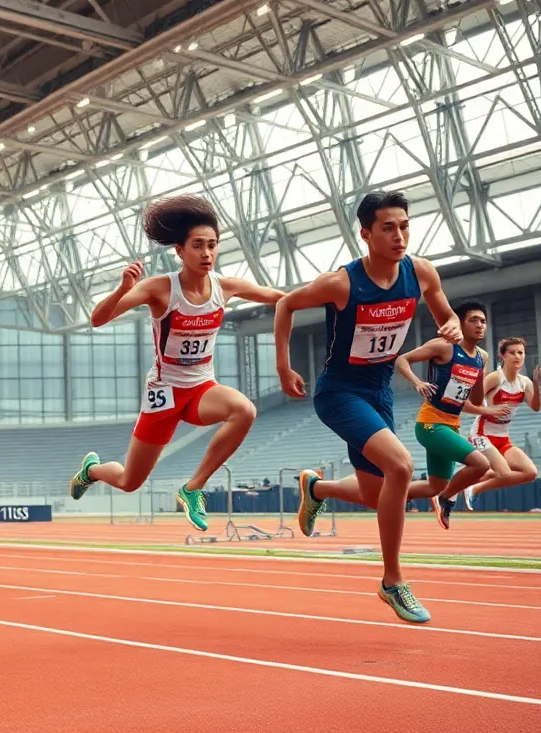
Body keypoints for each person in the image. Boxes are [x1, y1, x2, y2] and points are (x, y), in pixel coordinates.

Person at [273, 190, 462, 623]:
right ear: (366, 234)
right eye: (388, 228)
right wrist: (284, 367)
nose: (399, 236)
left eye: (405, 226)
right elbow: (285, 304)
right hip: (340, 392)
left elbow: (445, 316)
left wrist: (450, 324)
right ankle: (392, 581)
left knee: (380, 498)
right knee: (400, 467)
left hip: (380, 391)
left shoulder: (422, 273)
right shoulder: (341, 282)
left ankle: (316, 489)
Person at [68, 195, 285, 531]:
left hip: (201, 388)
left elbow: (279, 298)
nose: (207, 253)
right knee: (129, 481)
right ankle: (91, 471)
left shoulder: (225, 287)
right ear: (180, 251)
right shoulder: (159, 289)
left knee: (245, 410)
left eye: (212, 245)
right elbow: (98, 319)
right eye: (198, 246)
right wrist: (122, 288)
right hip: (164, 393)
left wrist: (334, 294)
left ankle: (193, 487)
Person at [394, 299, 511, 530]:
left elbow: (475, 399)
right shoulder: (444, 346)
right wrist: (417, 382)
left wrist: (484, 389)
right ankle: (447, 498)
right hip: (431, 424)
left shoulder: (482, 357)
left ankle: (383, 495)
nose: (480, 325)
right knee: (481, 464)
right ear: (460, 323)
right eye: (473, 320)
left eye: (483, 321)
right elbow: (402, 360)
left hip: (452, 425)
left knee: (434, 486)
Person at [461, 336, 541, 509]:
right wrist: (489, 410)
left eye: (520, 353)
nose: (517, 357)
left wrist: (536, 385)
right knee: (504, 473)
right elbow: (466, 403)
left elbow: (535, 407)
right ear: (503, 356)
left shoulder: (524, 383)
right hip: (481, 434)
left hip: (503, 439)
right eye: (512, 353)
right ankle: (474, 483)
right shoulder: (495, 379)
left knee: (531, 473)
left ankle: (475, 485)